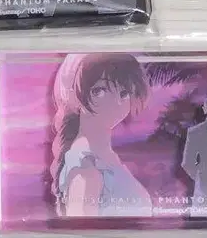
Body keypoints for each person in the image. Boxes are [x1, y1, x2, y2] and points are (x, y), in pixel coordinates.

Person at [50, 52, 153, 218]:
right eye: (99, 91)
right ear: (73, 95)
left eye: (124, 93)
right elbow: (81, 229)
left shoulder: (101, 156)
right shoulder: (86, 166)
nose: (116, 102)